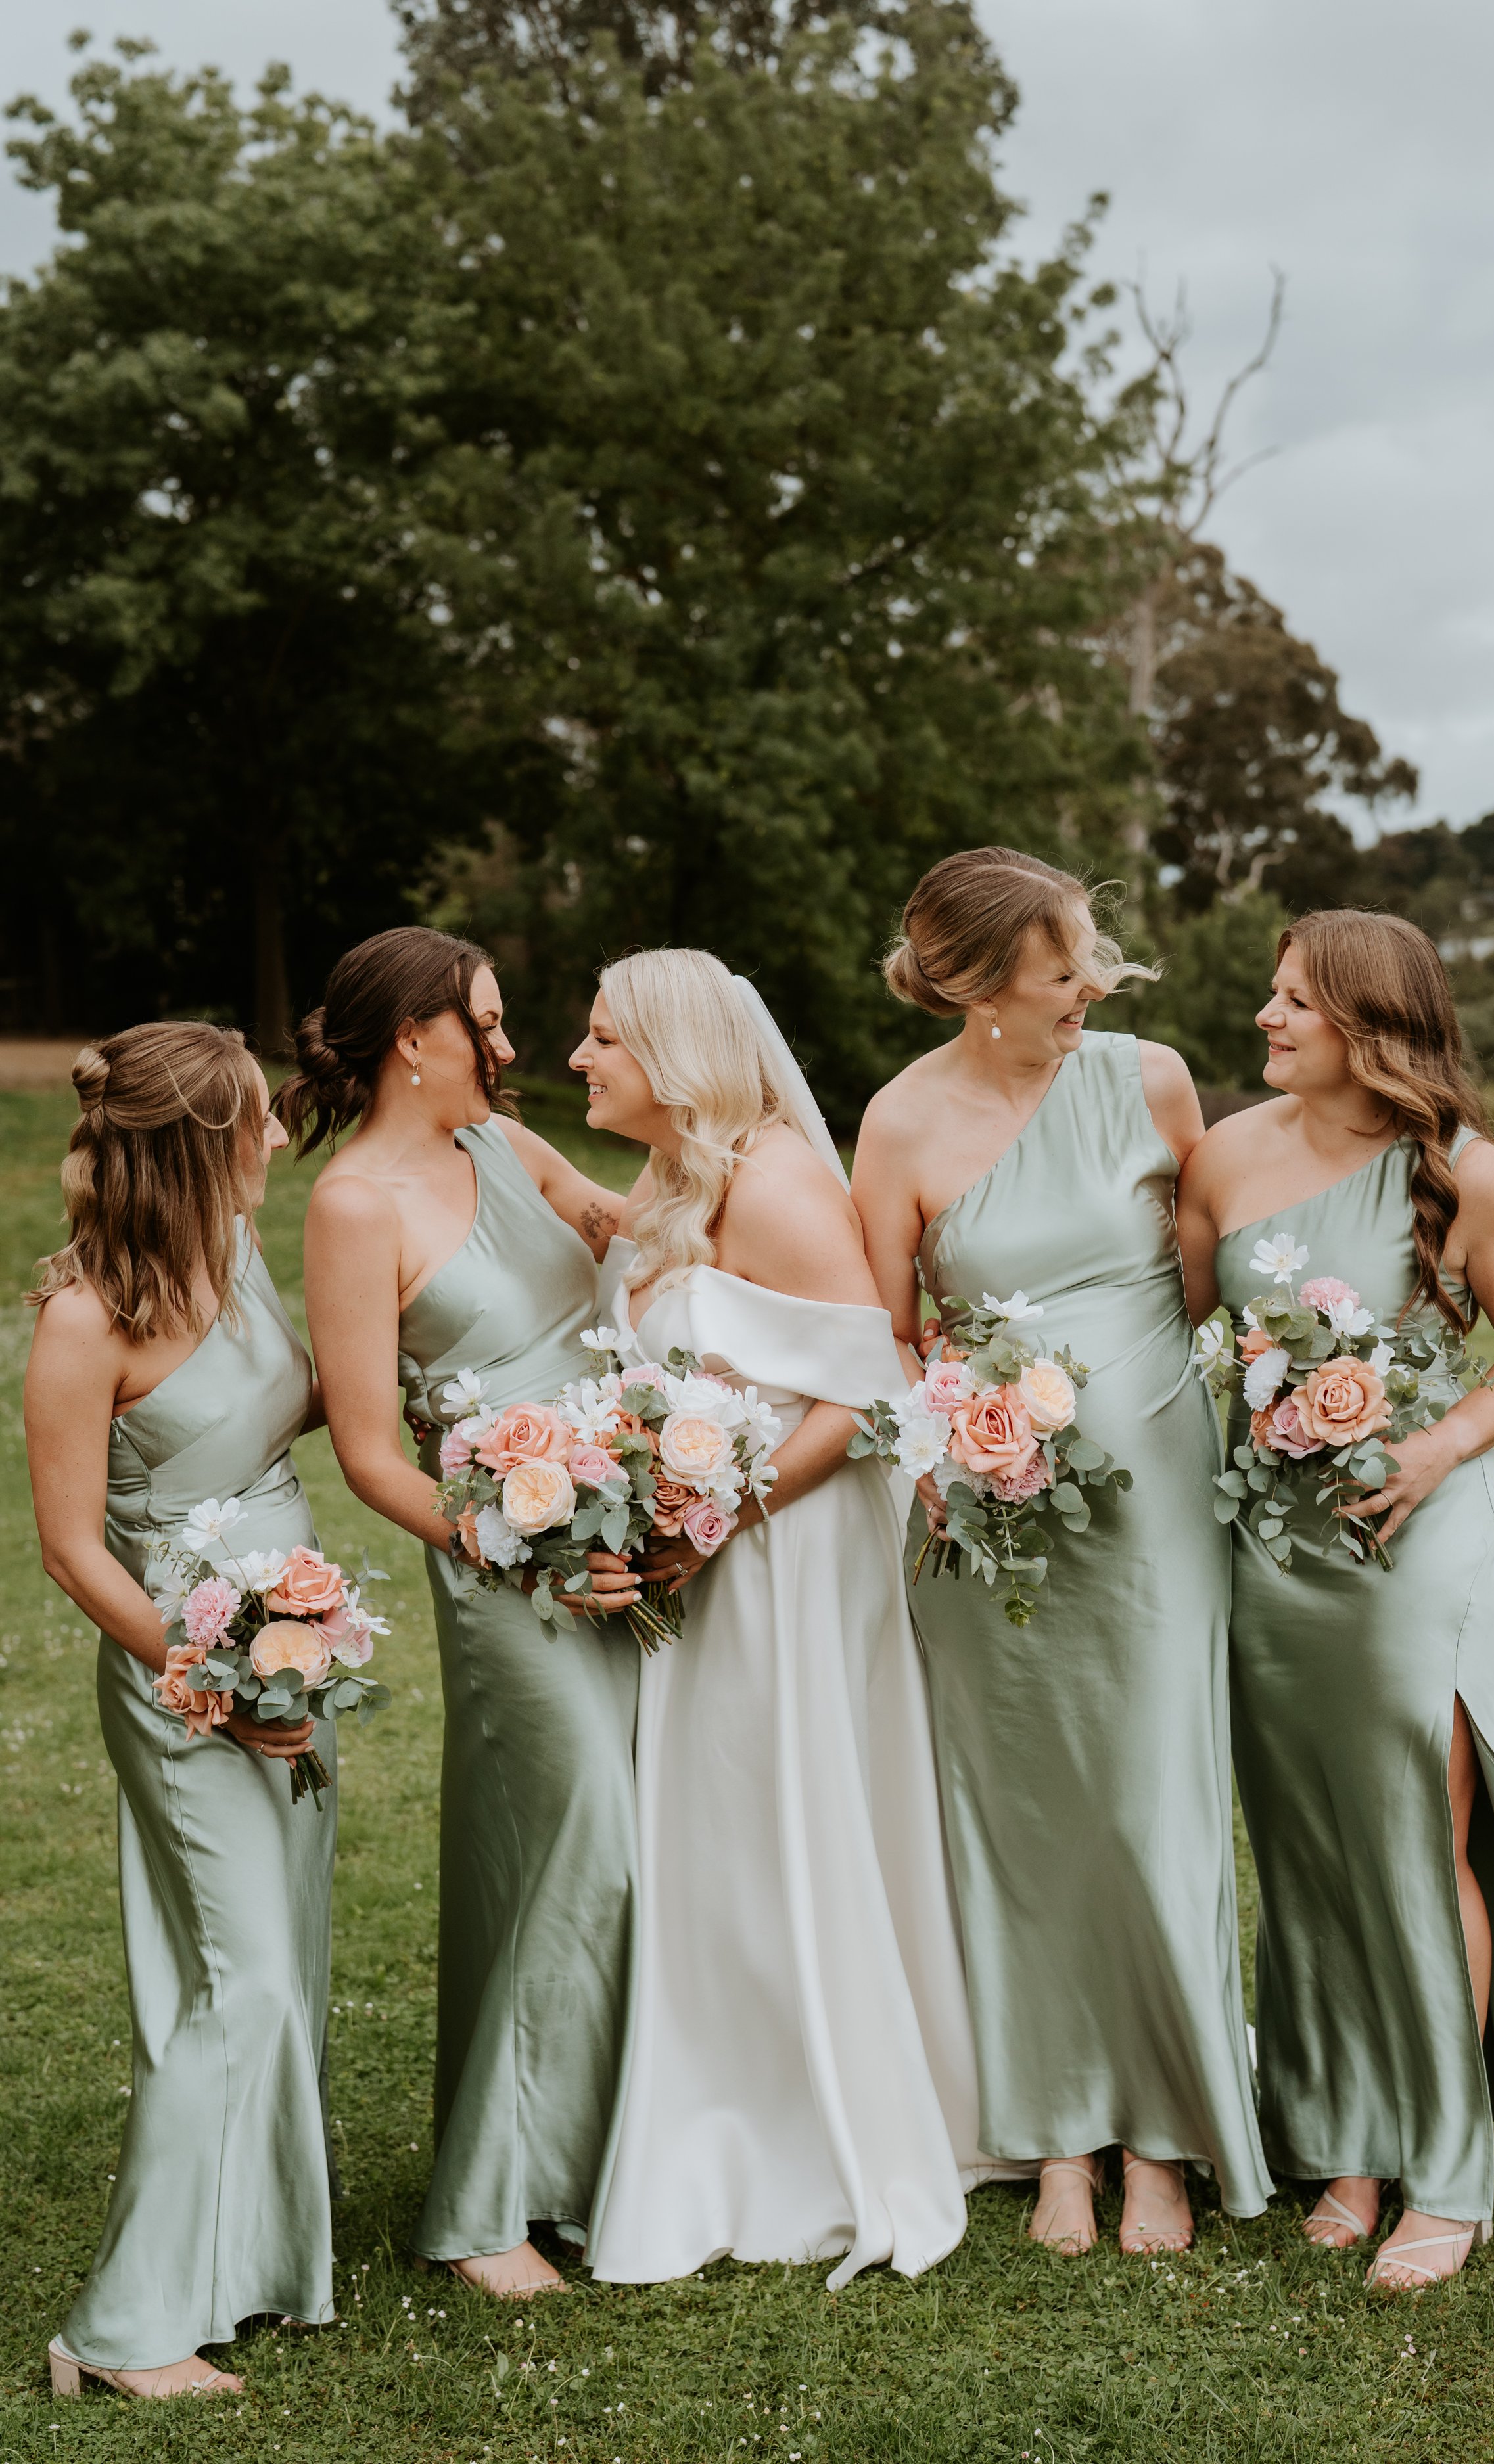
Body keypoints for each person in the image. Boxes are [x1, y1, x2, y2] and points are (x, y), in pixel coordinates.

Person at [1176, 907, 1494, 2287]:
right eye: (1268, 997)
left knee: (1409, 1842)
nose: (1265, 1020)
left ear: (1368, 1027)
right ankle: (1345, 2145)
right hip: (1266, 1545)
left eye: (1291, 1004)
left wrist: (1434, 1445)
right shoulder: (1223, 1154)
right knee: (1308, 1850)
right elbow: (1182, 1329)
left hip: (1412, 1546)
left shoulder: (1466, 1174)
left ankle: (1445, 2170)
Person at [851, 847, 1270, 2259]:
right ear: (972, 984)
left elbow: (1206, 1277)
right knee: (1020, 1820)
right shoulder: (897, 1125)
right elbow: (891, 1335)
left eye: (1090, 954)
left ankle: (1163, 2135)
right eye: (1059, 965)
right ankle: (1057, 2139)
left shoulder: (1146, 1078)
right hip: (989, 1526)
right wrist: (960, 1437)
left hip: (1152, 1500)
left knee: (1151, 1803)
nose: (1090, 982)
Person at [578, 950, 994, 2289]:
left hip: (780, 1560)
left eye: (602, 1041)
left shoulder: (776, 1184)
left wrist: (715, 1519)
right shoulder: (669, 1184)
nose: (580, 1059)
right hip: (705, 1550)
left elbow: (862, 1388)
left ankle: (801, 2124)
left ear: (676, 1056)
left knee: (771, 1809)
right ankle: (718, 2098)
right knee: (708, 1823)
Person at [282, 927, 640, 2298]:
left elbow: (633, 1231)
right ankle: (486, 2209)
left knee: (607, 1842)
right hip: (504, 1571)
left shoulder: (508, 1150)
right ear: (413, 1037)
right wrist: (513, 1541)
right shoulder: (352, 1207)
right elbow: (371, 1451)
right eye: (484, 1025)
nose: (507, 1047)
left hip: (623, 1540)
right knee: (578, 1845)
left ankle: (598, 2162)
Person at [27, 1025, 333, 2398]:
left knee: (278, 1970)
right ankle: (123, 2329)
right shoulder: (85, 1318)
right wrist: (215, 1675)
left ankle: (244, 2262)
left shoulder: (239, 1263)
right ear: (208, 1142)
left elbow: (291, 1409)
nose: (278, 1139)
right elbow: (74, 1548)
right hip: (182, 1683)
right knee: (239, 1979)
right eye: (259, 1121)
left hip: (296, 1655)